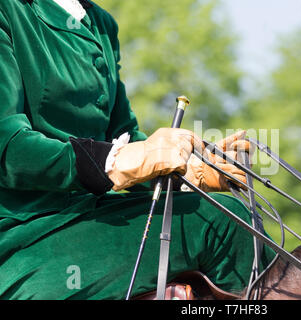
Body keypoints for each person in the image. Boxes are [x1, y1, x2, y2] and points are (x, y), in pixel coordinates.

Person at [0, 0, 274, 299]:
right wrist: (117, 162)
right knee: (222, 226)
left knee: (233, 214)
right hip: (22, 234)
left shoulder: (101, 24)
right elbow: (9, 146)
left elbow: (123, 137)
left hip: (94, 216)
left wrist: (190, 170)